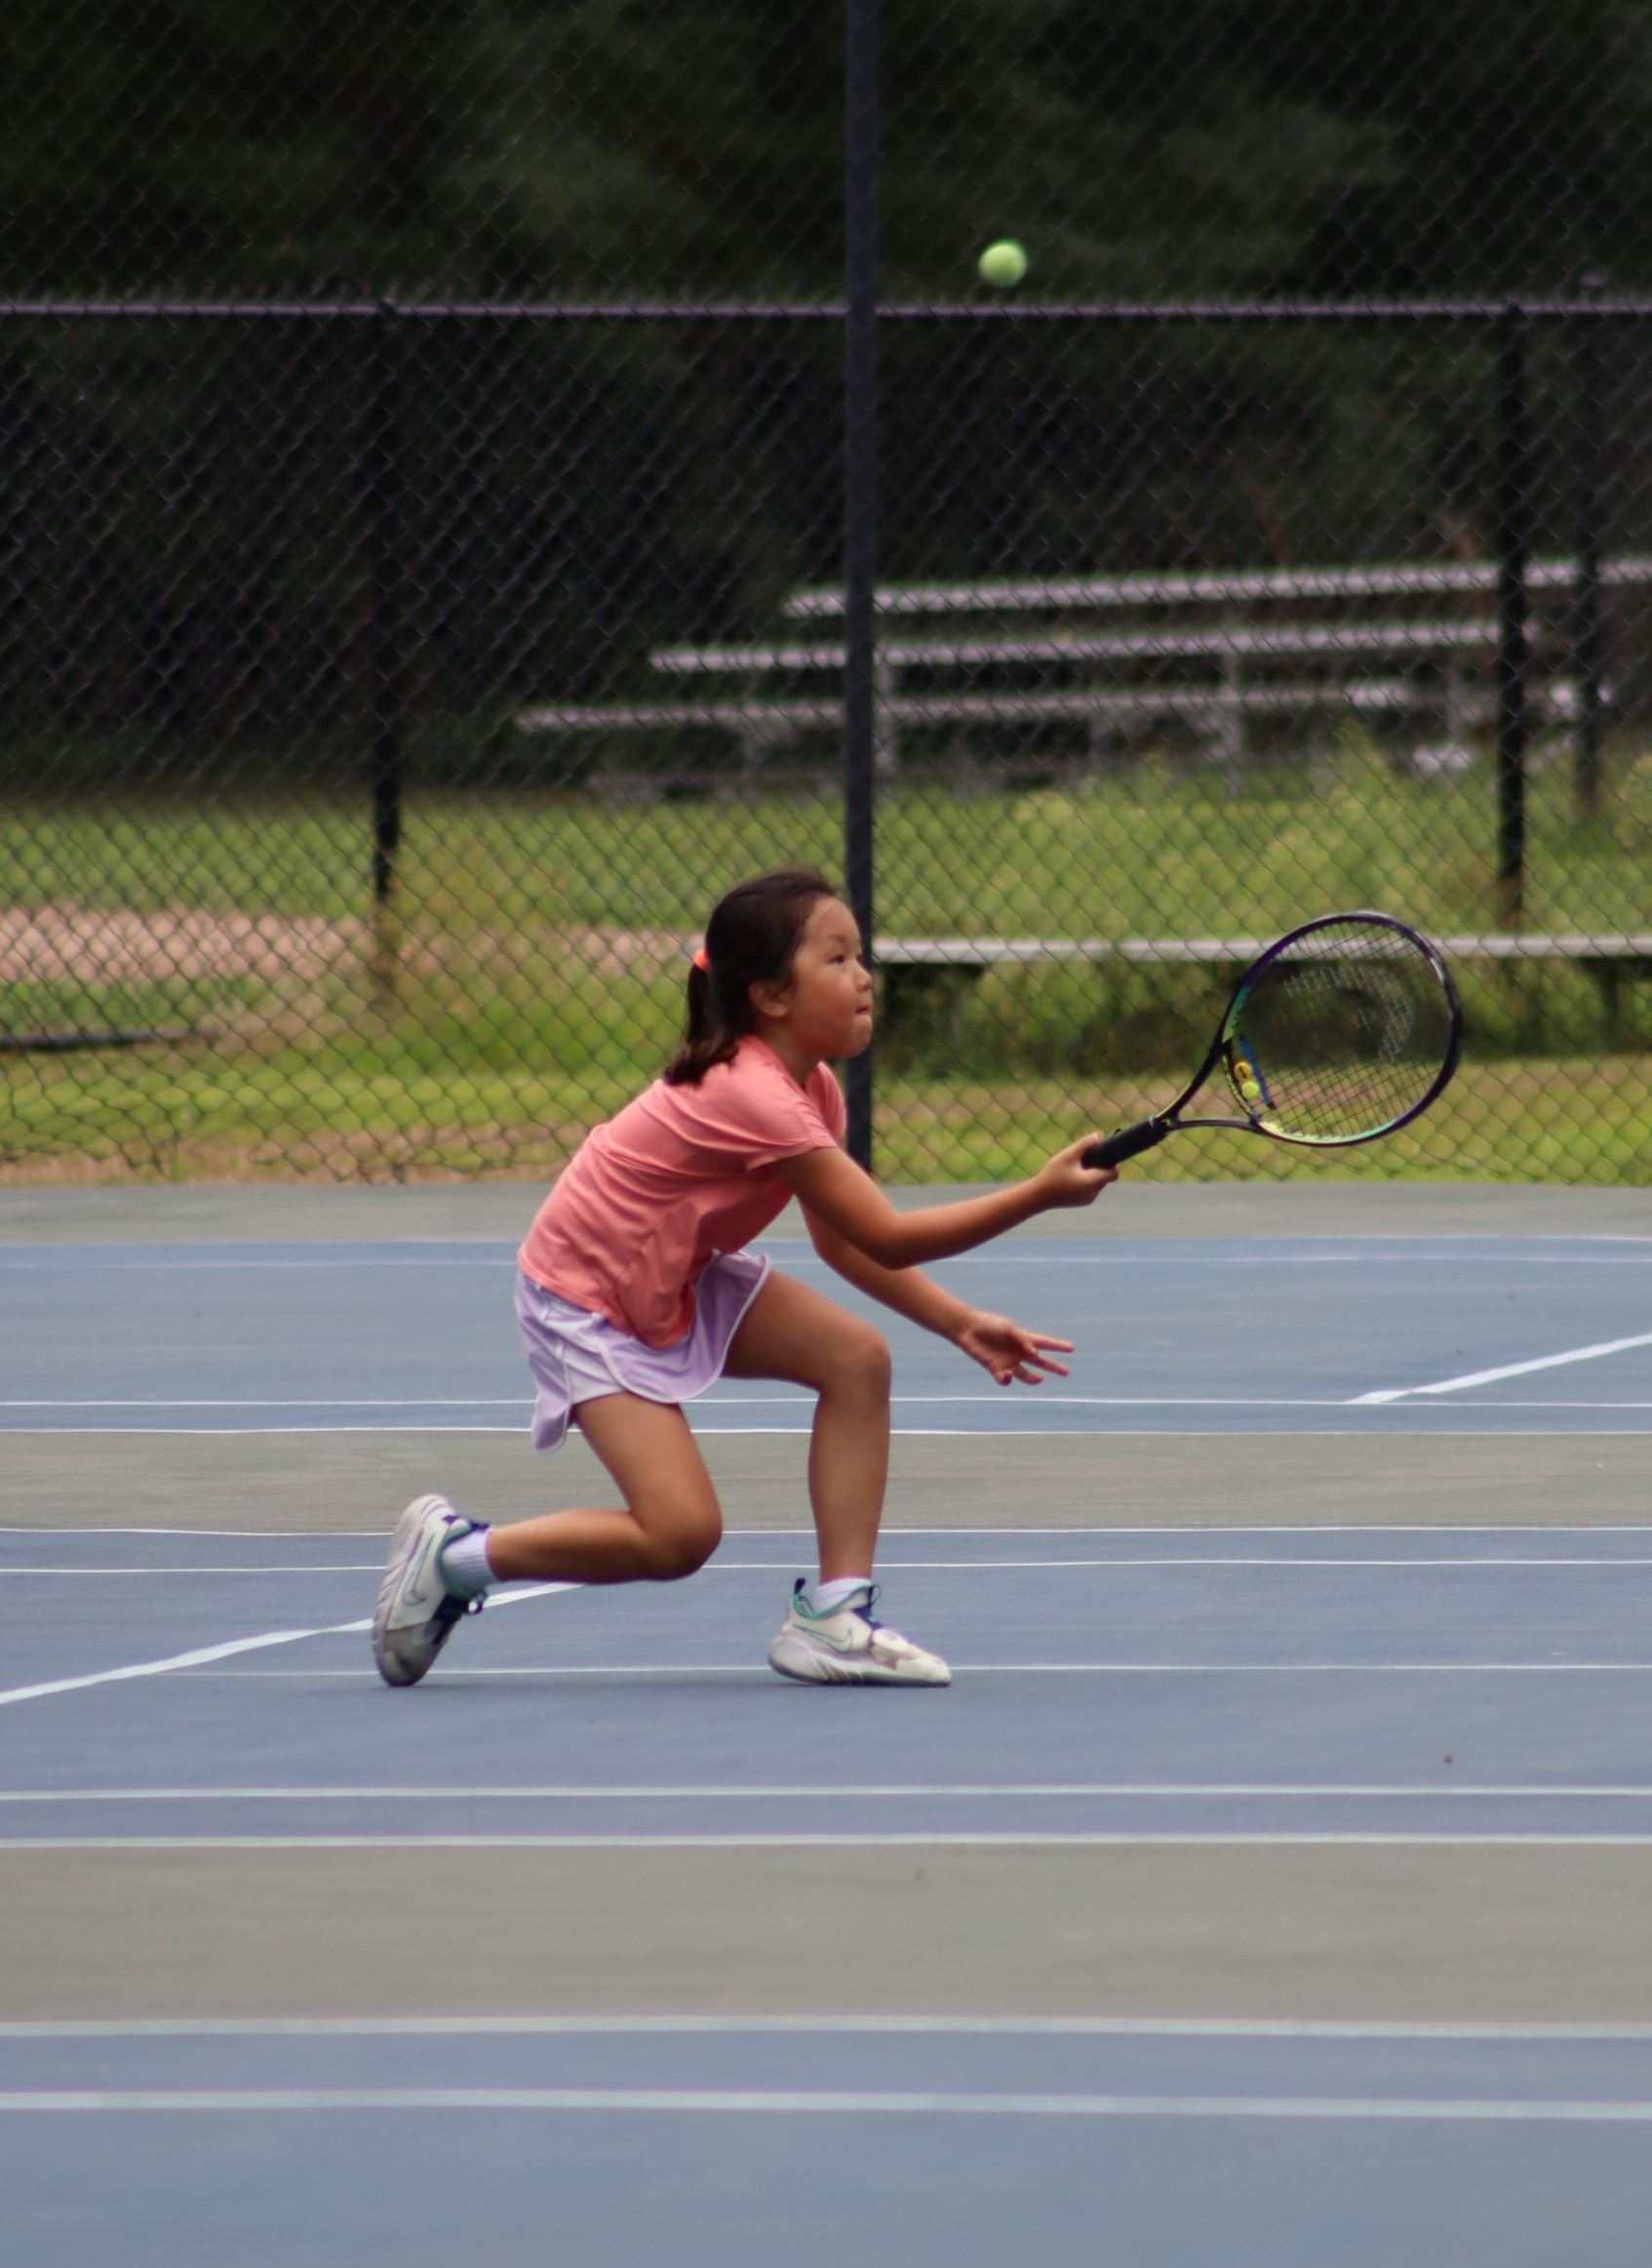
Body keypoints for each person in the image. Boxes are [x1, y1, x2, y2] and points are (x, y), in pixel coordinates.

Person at [372, 866, 1116, 1691]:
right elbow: (890, 1235)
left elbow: (843, 1246)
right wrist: (1040, 1194)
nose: (865, 976)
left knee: (855, 1359)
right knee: (680, 1535)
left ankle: (834, 1617)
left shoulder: (812, 1091)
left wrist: (957, 1321)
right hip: (585, 1295)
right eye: (837, 960)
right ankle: (457, 1556)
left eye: (860, 955)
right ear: (770, 995)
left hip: (675, 1273)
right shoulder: (751, 1092)